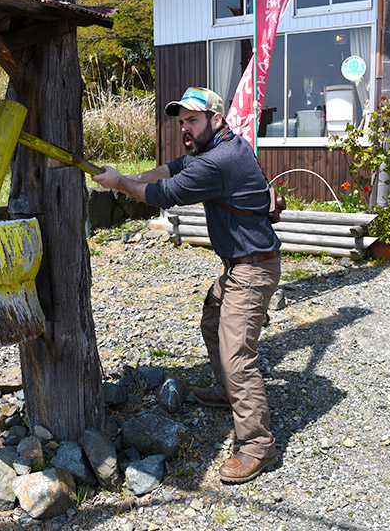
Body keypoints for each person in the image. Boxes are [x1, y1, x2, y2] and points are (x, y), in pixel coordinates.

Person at [92, 87, 281, 484]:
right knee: (212, 322)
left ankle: (258, 446)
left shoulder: (218, 160)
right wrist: (128, 176)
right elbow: (170, 169)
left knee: (237, 355)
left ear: (215, 119)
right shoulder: (223, 144)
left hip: (252, 269)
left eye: (192, 120)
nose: (185, 128)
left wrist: (120, 184)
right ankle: (229, 392)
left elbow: (165, 193)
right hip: (238, 264)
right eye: (181, 122)